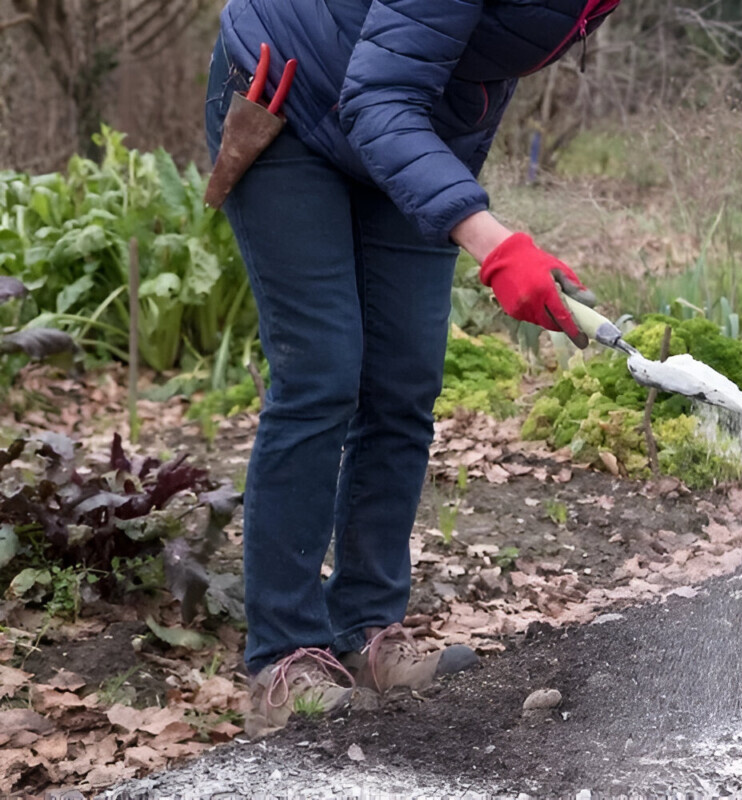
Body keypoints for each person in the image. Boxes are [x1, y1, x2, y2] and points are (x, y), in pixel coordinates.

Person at [204, 0, 621, 738]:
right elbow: (377, 90)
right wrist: (494, 242)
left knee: (403, 382)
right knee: (322, 374)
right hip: (295, 96)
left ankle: (366, 629)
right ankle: (283, 657)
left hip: (415, 131)